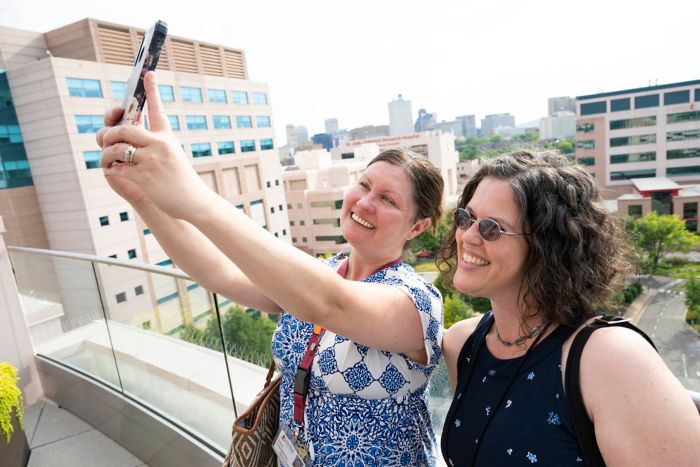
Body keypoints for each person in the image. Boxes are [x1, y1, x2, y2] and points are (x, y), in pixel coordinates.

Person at [97, 71, 445, 466]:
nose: (365, 202)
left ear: (418, 226)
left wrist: (193, 195)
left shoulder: (416, 303)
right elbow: (219, 273)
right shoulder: (323, 271)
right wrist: (143, 198)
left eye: (387, 199)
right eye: (363, 185)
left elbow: (331, 305)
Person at [438, 151, 700, 466]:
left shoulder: (610, 358)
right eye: (465, 217)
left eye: (491, 228)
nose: (467, 236)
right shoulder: (464, 344)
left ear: (548, 247)